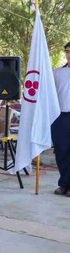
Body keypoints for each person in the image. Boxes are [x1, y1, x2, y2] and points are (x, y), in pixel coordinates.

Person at [52, 41, 70, 197]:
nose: (69, 54)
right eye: (68, 51)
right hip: (61, 117)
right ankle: (64, 184)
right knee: (61, 151)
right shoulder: (57, 73)